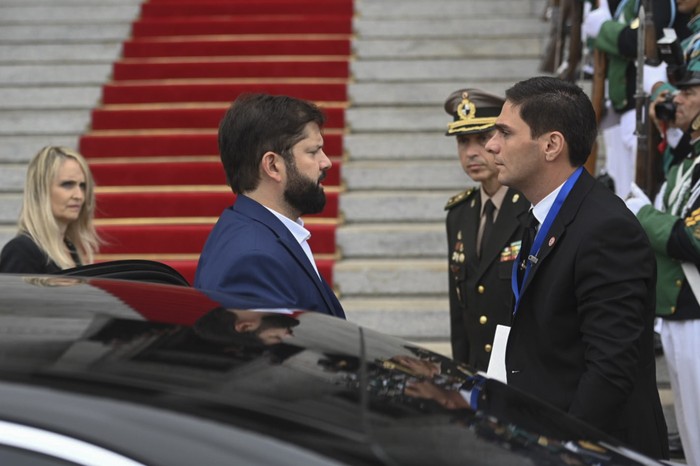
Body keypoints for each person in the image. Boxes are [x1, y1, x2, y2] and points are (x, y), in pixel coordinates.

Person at [483, 76, 668, 458]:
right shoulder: (538, 216)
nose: (491, 145)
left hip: (591, 447)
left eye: (505, 132)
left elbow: (610, 370)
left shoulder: (606, 229)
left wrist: (561, 448)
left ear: (551, 144)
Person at [194, 93, 346, 319]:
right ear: (273, 165)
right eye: (313, 152)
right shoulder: (253, 259)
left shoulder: (256, 230)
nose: (326, 162)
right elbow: (269, 353)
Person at [626, 58, 700, 466]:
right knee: (690, 435)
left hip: (695, 313)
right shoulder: (688, 159)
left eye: (690, 92)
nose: (680, 99)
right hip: (676, 312)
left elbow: (693, 239)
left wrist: (643, 214)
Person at [443, 88, 529, 371]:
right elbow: (460, 310)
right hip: (477, 367)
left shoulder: (531, 210)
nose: (471, 153)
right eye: (462, 141)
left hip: (522, 369)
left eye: (482, 138)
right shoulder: (459, 214)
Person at [582, 0, 689, 198]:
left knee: (637, 192)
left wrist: (605, 29)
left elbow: (637, 41)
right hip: (624, 106)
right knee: (623, 189)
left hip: (644, 105)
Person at [0, 146, 99, 274]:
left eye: (83, 186)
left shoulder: (70, 248)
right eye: (68, 184)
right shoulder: (21, 251)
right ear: (41, 191)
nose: (79, 195)